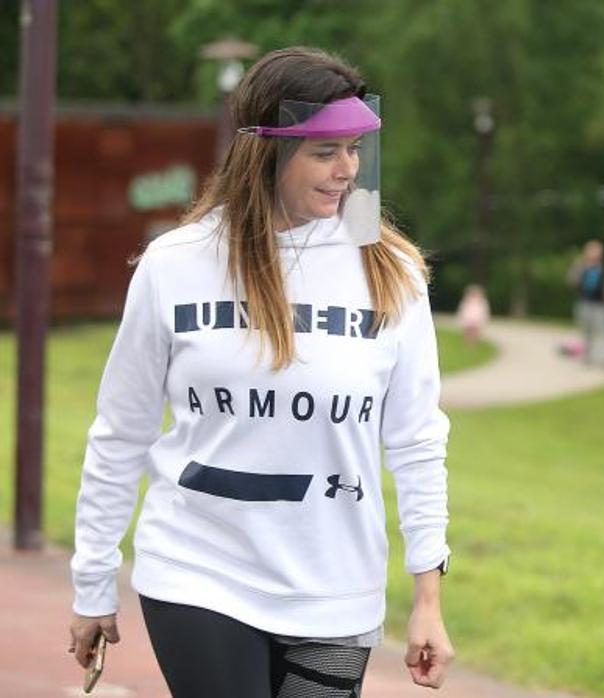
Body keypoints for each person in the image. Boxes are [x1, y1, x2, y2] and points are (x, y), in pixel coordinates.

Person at [67, 47, 454, 697]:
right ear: (266, 153)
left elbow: (417, 439)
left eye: (355, 148)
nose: (348, 170)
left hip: (336, 585)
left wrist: (428, 597)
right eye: (324, 152)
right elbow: (120, 432)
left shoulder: (390, 270)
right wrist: (91, 582)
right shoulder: (177, 262)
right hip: (199, 569)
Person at [566, 239, 604, 367]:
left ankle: (603, 359)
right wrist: (580, 264)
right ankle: (588, 358)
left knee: (603, 333)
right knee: (586, 332)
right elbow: (571, 281)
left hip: (601, 306)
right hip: (584, 304)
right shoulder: (582, 268)